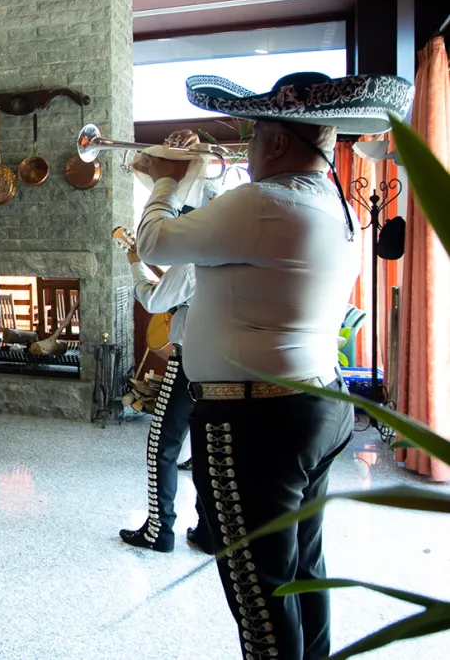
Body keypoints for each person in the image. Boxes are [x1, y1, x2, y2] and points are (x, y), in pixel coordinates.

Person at [135, 71, 412, 659]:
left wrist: (166, 181)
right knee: (302, 570)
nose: (247, 146)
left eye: (253, 134)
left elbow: (155, 243)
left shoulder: (263, 203)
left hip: (254, 424)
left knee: (260, 596)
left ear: (280, 142)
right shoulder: (333, 204)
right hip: (314, 406)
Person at [119, 130, 216, 554]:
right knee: (209, 450)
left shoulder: (199, 248)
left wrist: (136, 268)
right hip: (222, 364)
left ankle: (160, 529)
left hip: (187, 359)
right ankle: (212, 529)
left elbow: (158, 298)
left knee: (162, 442)